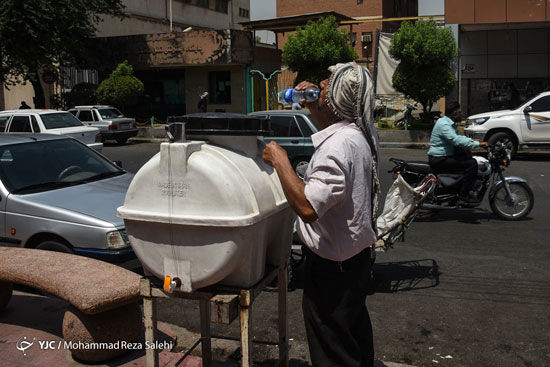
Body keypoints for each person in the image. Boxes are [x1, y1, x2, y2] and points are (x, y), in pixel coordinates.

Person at [262, 61, 380, 367]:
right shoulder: (356, 133)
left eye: (327, 84)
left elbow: (307, 208)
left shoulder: (337, 147)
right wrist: (313, 104)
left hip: (332, 271)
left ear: (337, 98)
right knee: (352, 337)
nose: (321, 85)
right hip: (354, 261)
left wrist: (281, 160)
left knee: (332, 350)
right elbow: (334, 129)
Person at [428, 101, 488, 202]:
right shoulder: (444, 124)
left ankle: (457, 189)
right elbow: (456, 140)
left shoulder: (446, 122)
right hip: (439, 158)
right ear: (454, 114)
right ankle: (463, 194)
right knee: (472, 164)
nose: (461, 114)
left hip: (443, 156)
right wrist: (478, 144)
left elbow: (456, 137)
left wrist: (472, 141)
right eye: (460, 112)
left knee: (467, 158)